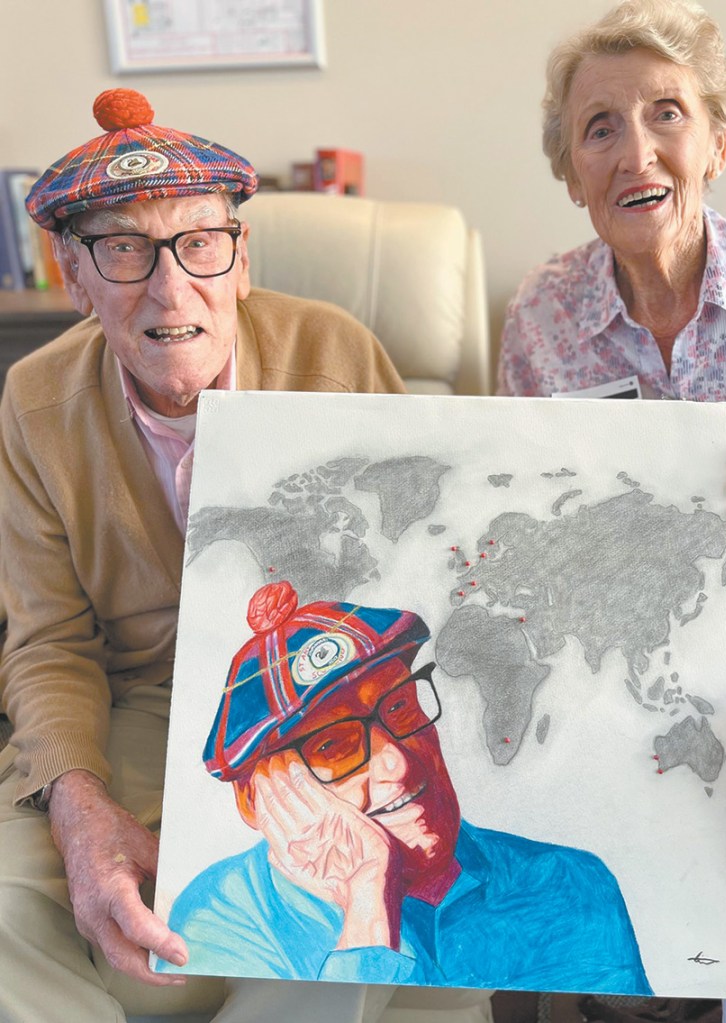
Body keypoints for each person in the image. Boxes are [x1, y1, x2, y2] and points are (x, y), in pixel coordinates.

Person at [0, 89, 490, 1023]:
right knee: (9, 907)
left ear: (241, 257)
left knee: (359, 889)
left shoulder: (335, 354)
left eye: (199, 243)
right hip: (140, 697)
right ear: (75, 275)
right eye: (124, 250)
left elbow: (428, 569)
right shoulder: (33, 402)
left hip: (329, 695)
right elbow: (48, 643)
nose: (170, 287)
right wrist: (79, 805)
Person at [498, 3, 726, 1023]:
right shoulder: (542, 312)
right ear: (571, 173)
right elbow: (516, 508)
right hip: (623, 624)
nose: (634, 151)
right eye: (598, 128)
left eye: (666, 114)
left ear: (715, 143)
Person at [158, 580, 652, 995]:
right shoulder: (218, 920)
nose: (396, 765)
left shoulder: (569, 886)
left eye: (399, 707)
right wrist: (367, 908)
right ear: (255, 799)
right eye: (333, 745)